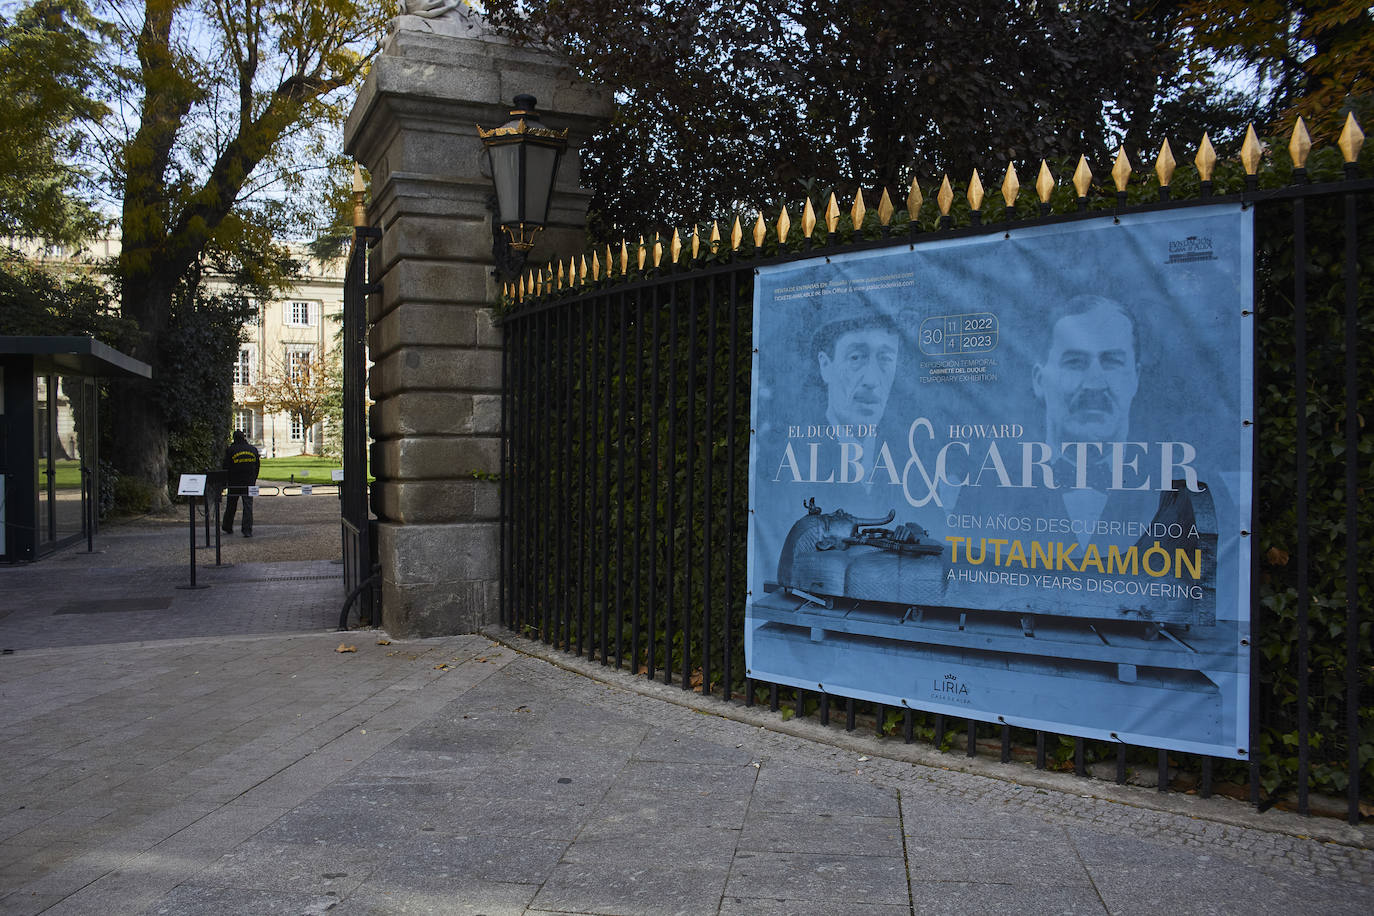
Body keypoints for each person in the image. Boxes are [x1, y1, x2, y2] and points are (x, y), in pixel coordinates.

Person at [222, 430, 260, 537]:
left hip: (234, 482)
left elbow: (226, 467)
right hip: (249, 482)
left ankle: (227, 526)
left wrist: (225, 482)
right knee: (248, 506)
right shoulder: (253, 450)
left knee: (231, 505)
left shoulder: (231, 450)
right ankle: (247, 529)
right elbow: (257, 467)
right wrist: (253, 479)